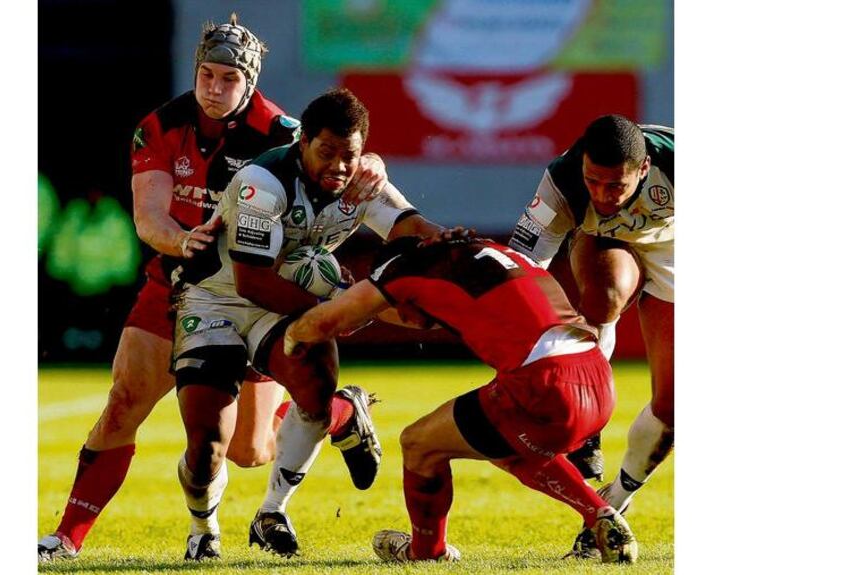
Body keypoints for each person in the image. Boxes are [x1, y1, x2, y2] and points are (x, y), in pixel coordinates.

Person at [37, 15, 389, 562]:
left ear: (250, 82)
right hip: (178, 281)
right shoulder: (160, 126)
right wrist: (182, 242)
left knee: (251, 450)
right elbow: (149, 217)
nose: (214, 88)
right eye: (207, 74)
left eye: (229, 78)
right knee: (124, 402)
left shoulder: (282, 131)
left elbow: (341, 155)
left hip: (252, 291)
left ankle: (340, 412)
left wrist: (370, 164)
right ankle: (67, 537)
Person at [171, 88, 452, 560]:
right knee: (208, 446)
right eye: (327, 152)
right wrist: (341, 306)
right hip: (216, 298)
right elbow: (251, 282)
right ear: (303, 142)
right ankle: (203, 527)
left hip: (281, 304)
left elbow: (412, 229)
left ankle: (272, 512)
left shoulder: (363, 181)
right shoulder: (263, 182)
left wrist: (461, 249)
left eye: (350, 155)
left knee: (316, 386)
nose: (339, 166)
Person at [282, 236, 639, 564]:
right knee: (505, 448)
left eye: (398, 305)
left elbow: (322, 324)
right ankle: (601, 515)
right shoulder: (474, 251)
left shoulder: (402, 269)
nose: (402, 316)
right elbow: (425, 310)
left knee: (419, 444)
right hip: (597, 377)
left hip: (545, 383)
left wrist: (288, 339)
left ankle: (427, 553)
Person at [507, 114, 673, 557]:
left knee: (674, 407)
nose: (601, 195)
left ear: (644, 169)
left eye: (615, 186)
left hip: (676, 249)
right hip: (605, 243)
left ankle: (614, 502)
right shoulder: (562, 183)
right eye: (592, 181)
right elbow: (523, 266)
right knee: (604, 296)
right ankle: (590, 421)